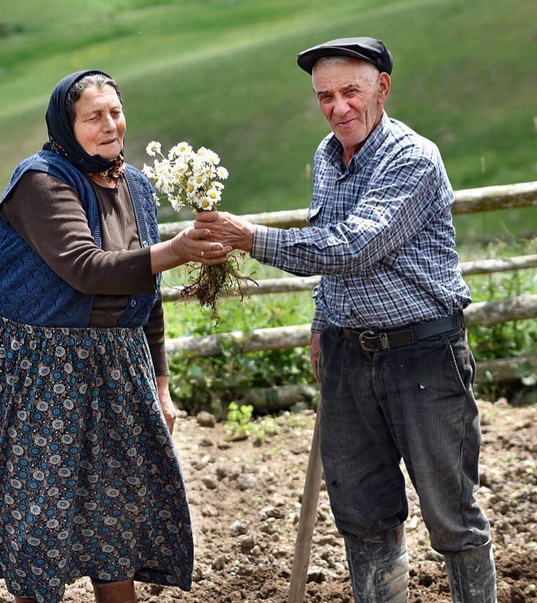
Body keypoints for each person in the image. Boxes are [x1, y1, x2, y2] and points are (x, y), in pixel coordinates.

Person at [196, 37, 497, 602]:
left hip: (422, 353)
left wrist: (248, 238)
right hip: (346, 354)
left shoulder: (412, 158)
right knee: (362, 513)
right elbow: (332, 260)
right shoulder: (328, 156)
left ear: (383, 88)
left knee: (451, 514)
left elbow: (352, 247)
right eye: (325, 96)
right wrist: (321, 320)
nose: (338, 108)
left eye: (351, 92)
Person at [0, 69, 228, 603]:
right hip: (41, 368)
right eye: (93, 117)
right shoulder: (41, 181)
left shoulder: (135, 187)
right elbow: (85, 267)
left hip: (116, 364)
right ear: (68, 124)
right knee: (40, 511)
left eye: (115, 111)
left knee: (117, 511)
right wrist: (177, 251)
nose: (110, 125)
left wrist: (161, 381)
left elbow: (145, 289)